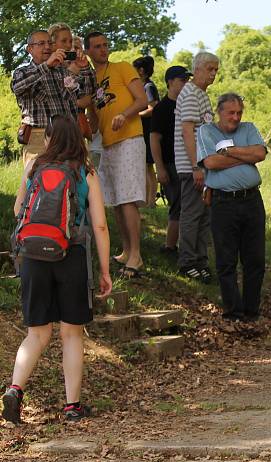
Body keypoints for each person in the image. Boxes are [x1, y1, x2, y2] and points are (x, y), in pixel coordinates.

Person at [2, 115, 112, 424]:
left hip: (33, 256)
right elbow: (100, 226)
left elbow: (18, 210)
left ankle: (14, 390)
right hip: (71, 255)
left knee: (36, 333)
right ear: (78, 139)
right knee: (71, 334)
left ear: (48, 139)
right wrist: (104, 270)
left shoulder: (34, 166)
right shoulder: (85, 173)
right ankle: (72, 407)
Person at [197, 93, 267, 320]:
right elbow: (211, 162)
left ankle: (251, 310)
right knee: (226, 259)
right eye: (231, 113)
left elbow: (260, 153)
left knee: (254, 259)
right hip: (223, 202)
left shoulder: (249, 128)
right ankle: (233, 310)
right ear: (220, 111)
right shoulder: (207, 131)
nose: (235, 117)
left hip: (251, 200)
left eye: (239, 113)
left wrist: (229, 151)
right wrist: (246, 155)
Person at [84, 31, 147, 278]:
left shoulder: (122, 67)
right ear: (88, 51)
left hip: (130, 139)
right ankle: (127, 249)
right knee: (117, 201)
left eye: (105, 45)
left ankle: (136, 256)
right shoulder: (90, 80)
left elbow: (142, 100)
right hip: (108, 144)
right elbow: (93, 117)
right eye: (97, 46)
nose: (103, 49)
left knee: (128, 198)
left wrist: (125, 114)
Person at [11, 29, 95, 166]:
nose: (47, 47)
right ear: (29, 49)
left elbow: (86, 93)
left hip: (70, 136)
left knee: (79, 181)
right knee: (41, 182)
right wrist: (47, 66)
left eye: (49, 43)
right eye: (41, 43)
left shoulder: (63, 72)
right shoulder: (22, 72)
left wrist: (84, 67)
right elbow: (18, 86)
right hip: (39, 137)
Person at [174, 52, 219, 284]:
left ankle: (201, 261)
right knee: (192, 215)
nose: (213, 74)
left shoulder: (202, 95)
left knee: (204, 215)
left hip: (205, 166)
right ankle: (187, 262)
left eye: (216, 70)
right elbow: (188, 132)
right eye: (209, 69)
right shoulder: (191, 93)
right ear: (198, 69)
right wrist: (195, 166)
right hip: (192, 166)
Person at [150, 65, 191, 256]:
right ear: (170, 82)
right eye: (182, 80)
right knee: (177, 204)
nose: (186, 84)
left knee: (189, 205)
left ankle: (185, 246)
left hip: (189, 163)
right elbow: (154, 138)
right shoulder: (162, 108)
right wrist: (160, 167)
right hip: (170, 163)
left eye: (187, 80)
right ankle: (170, 246)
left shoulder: (188, 105)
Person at [133, 56, 160, 207]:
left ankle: (149, 201)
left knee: (147, 165)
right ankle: (147, 200)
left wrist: (136, 115)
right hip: (143, 130)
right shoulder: (142, 86)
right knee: (145, 165)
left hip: (148, 129)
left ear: (141, 71)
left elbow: (153, 108)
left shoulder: (148, 86)